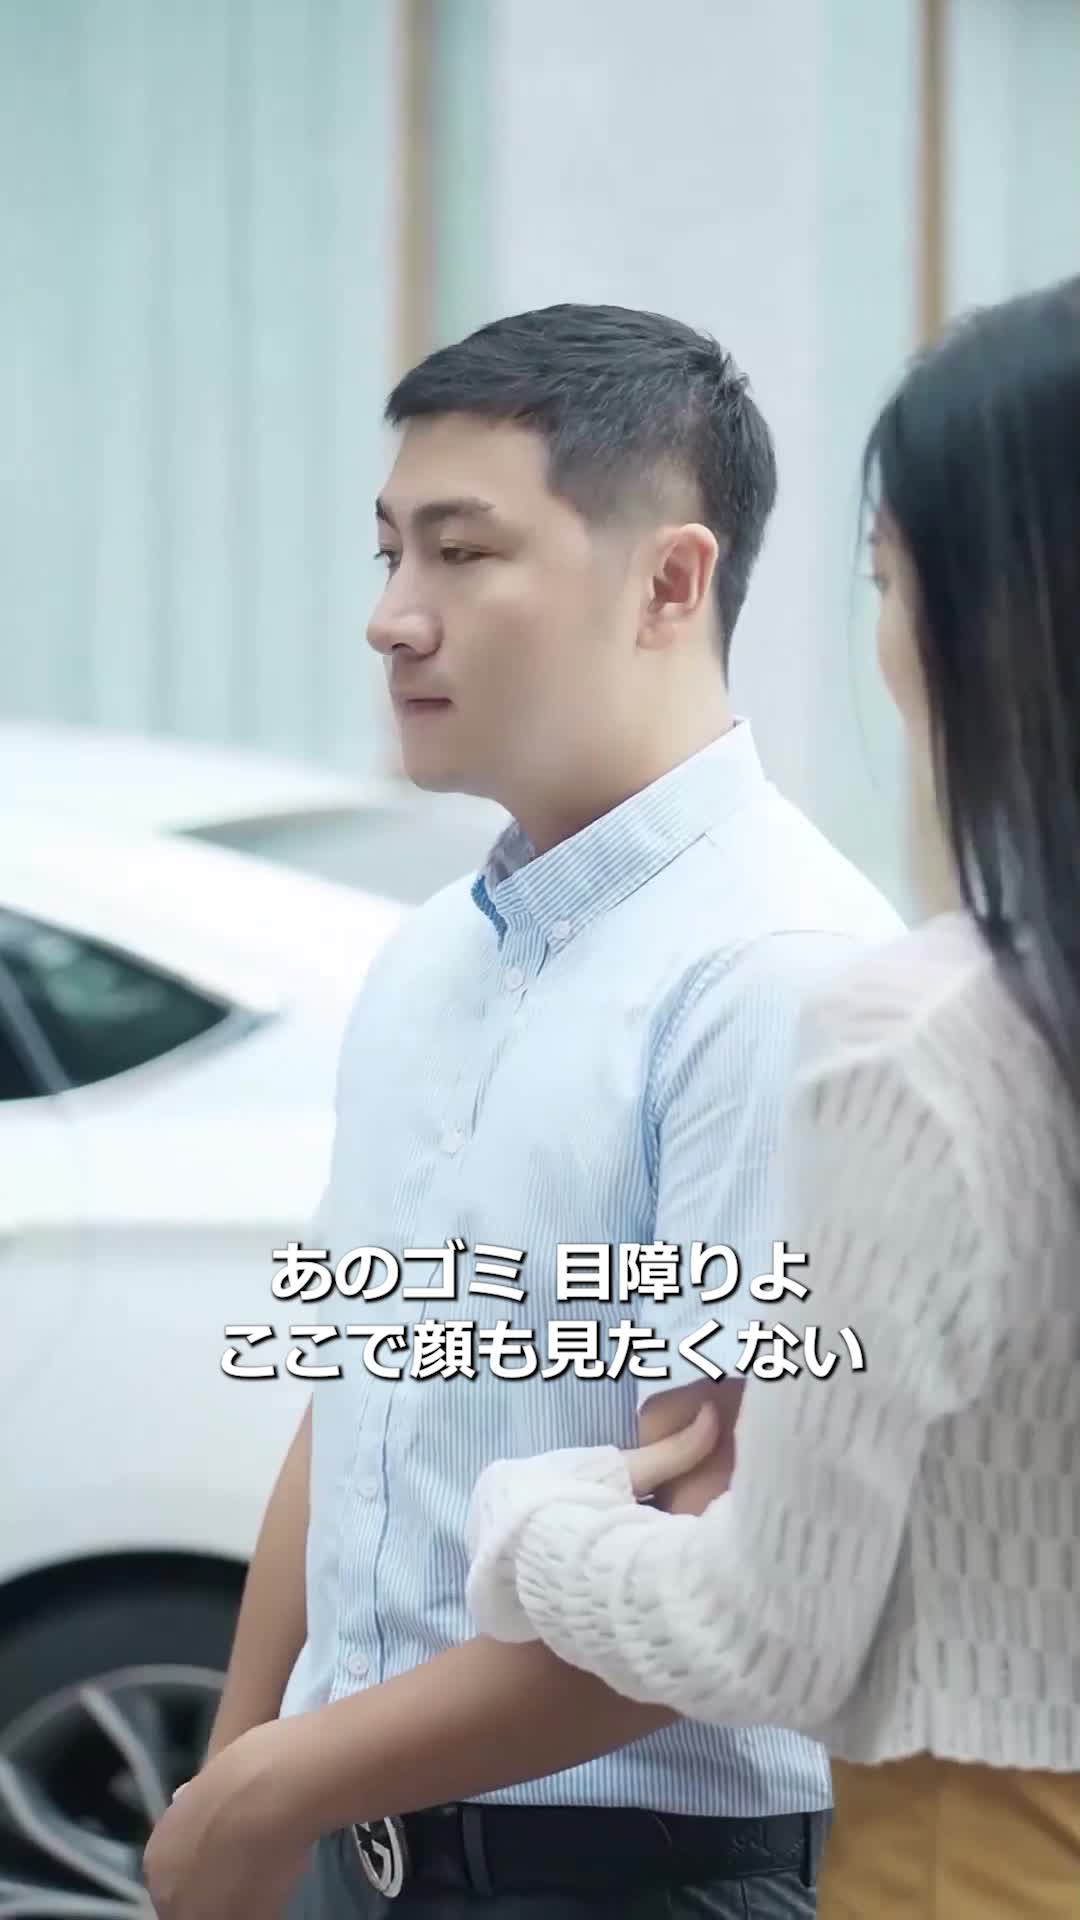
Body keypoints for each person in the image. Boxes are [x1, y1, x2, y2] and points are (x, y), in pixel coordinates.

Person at [142, 302, 900, 1920]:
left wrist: (274, 1787)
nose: (391, 619)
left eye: (463, 552)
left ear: (670, 583)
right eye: (388, 553)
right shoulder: (432, 957)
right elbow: (357, 1401)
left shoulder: (781, 972)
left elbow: (726, 1578)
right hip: (356, 1849)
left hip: (634, 1880)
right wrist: (236, 1785)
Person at [461, 275, 1080, 1918]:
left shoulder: (931, 1042)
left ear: (995, 617)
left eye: (886, 575)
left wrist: (530, 1508)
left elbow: (766, 1636)